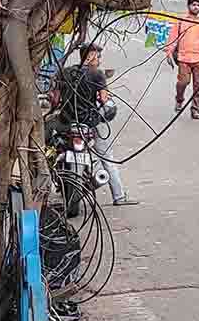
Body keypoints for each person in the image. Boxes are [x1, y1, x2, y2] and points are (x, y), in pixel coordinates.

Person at [54, 44, 137, 207]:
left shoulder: (64, 72)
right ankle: (119, 196)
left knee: (51, 147)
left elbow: (55, 100)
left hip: (67, 123)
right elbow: (105, 100)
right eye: (98, 57)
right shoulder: (97, 75)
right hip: (89, 123)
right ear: (90, 56)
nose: (99, 60)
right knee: (106, 157)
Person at [166, 0, 199, 119]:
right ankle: (179, 99)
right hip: (184, 58)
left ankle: (195, 110)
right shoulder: (181, 20)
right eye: (193, 5)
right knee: (183, 82)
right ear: (188, 6)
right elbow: (172, 38)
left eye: (198, 5)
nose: (196, 7)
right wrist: (169, 53)